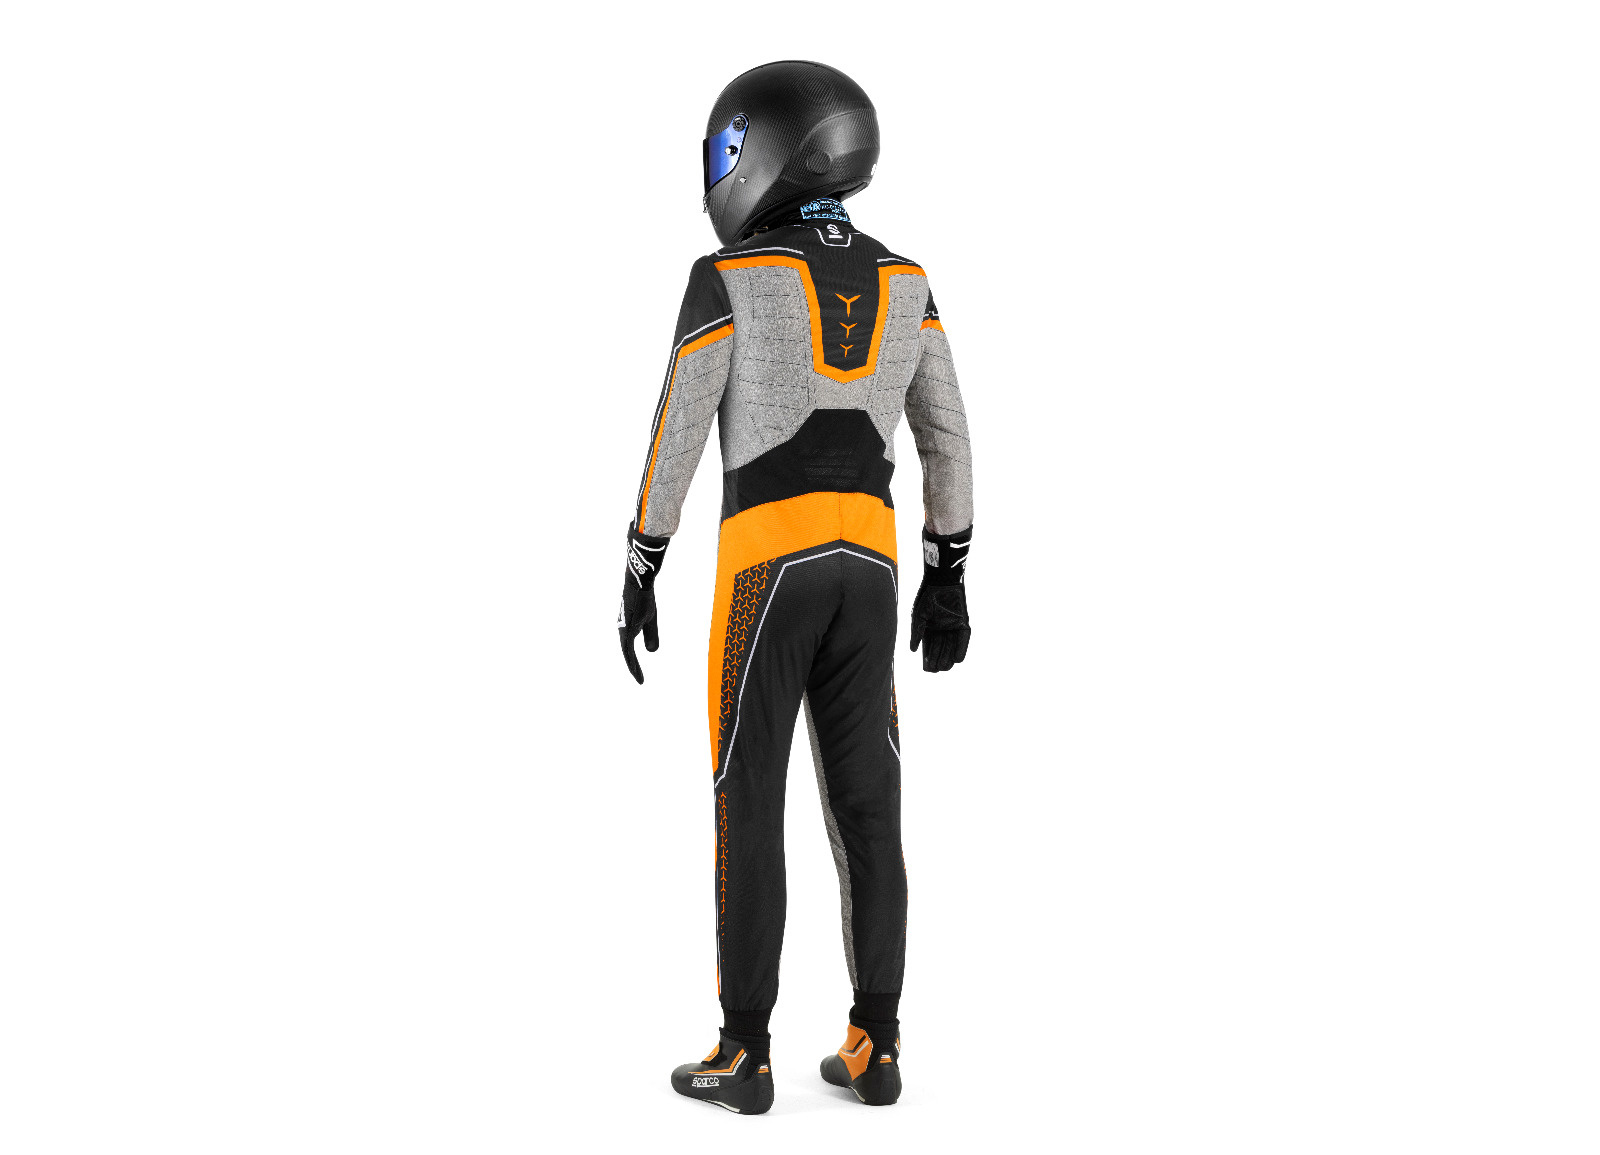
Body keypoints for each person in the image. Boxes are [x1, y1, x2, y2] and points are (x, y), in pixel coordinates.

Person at [617, 60, 974, 1114]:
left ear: (760, 148)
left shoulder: (724, 277)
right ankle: (876, 1044)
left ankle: (744, 1052)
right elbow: (948, 437)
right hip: (871, 569)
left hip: (767, 569)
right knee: (870, 807)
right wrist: (950, 572)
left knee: (749, 799)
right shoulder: (908, 281)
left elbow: (679, 425)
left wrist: (642, 557)